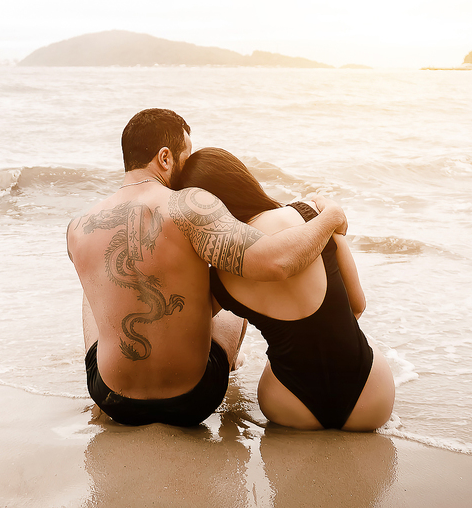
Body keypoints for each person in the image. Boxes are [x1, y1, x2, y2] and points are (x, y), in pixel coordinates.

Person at [67, 109, 348, 427]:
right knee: (234, 271)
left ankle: (123, 370)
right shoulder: (189, 203)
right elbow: (277, 262)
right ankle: (232, 358)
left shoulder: (78, 228)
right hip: (193, 399)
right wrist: (329, 217)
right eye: (186, 159)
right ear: (165, 158)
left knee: (96, 285)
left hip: (112, 398)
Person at [176, 147, 395, 431]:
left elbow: (188, 327)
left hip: (290, 406)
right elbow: (357, 305)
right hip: (370, 400)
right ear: (242, 179)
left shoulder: (219, 276)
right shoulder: (311, 215)